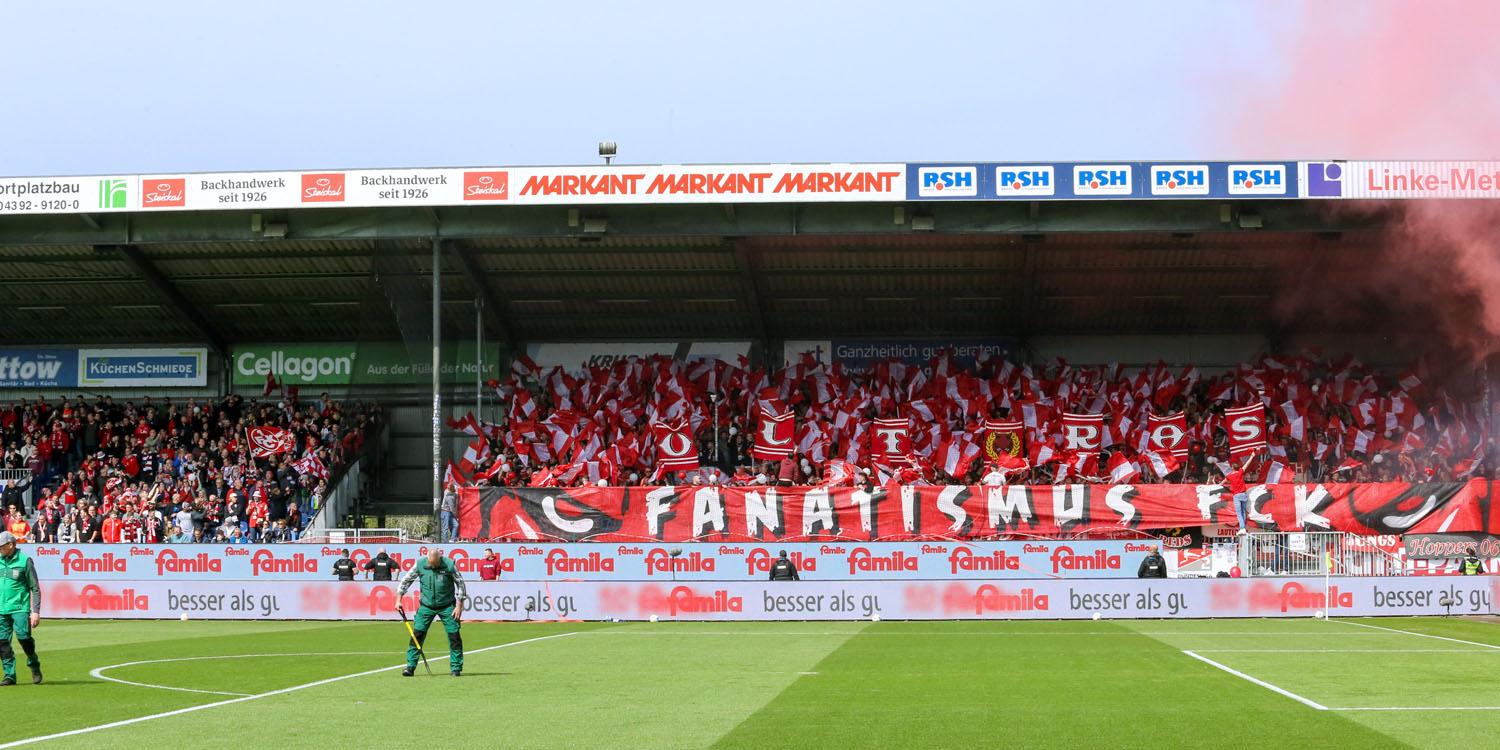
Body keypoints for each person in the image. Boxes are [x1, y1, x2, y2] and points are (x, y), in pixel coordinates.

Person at [395, 549, 467, 677]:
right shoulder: (419, 564)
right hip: (426, 606)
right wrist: (398, 600)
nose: (433, 567)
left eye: (436, 565)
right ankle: (410, 666)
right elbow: (406, 581)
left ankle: (456, 668)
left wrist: (459, 606)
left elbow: (460, 584)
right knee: (417, 634)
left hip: (447, 606)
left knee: (454, 636)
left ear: (440, 558)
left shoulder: (450, 564)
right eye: (431, 565)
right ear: (427, 559)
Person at [0, 531, 42, 685]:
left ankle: (33, 663)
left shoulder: (25, 561)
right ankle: (9, 675)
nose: (0, 549)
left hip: (19, 608)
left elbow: (35, 588)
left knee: (24, 638)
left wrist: (35, 611)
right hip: (1, 609)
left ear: (11, 545)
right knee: (2, 643)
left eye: (2, 546)